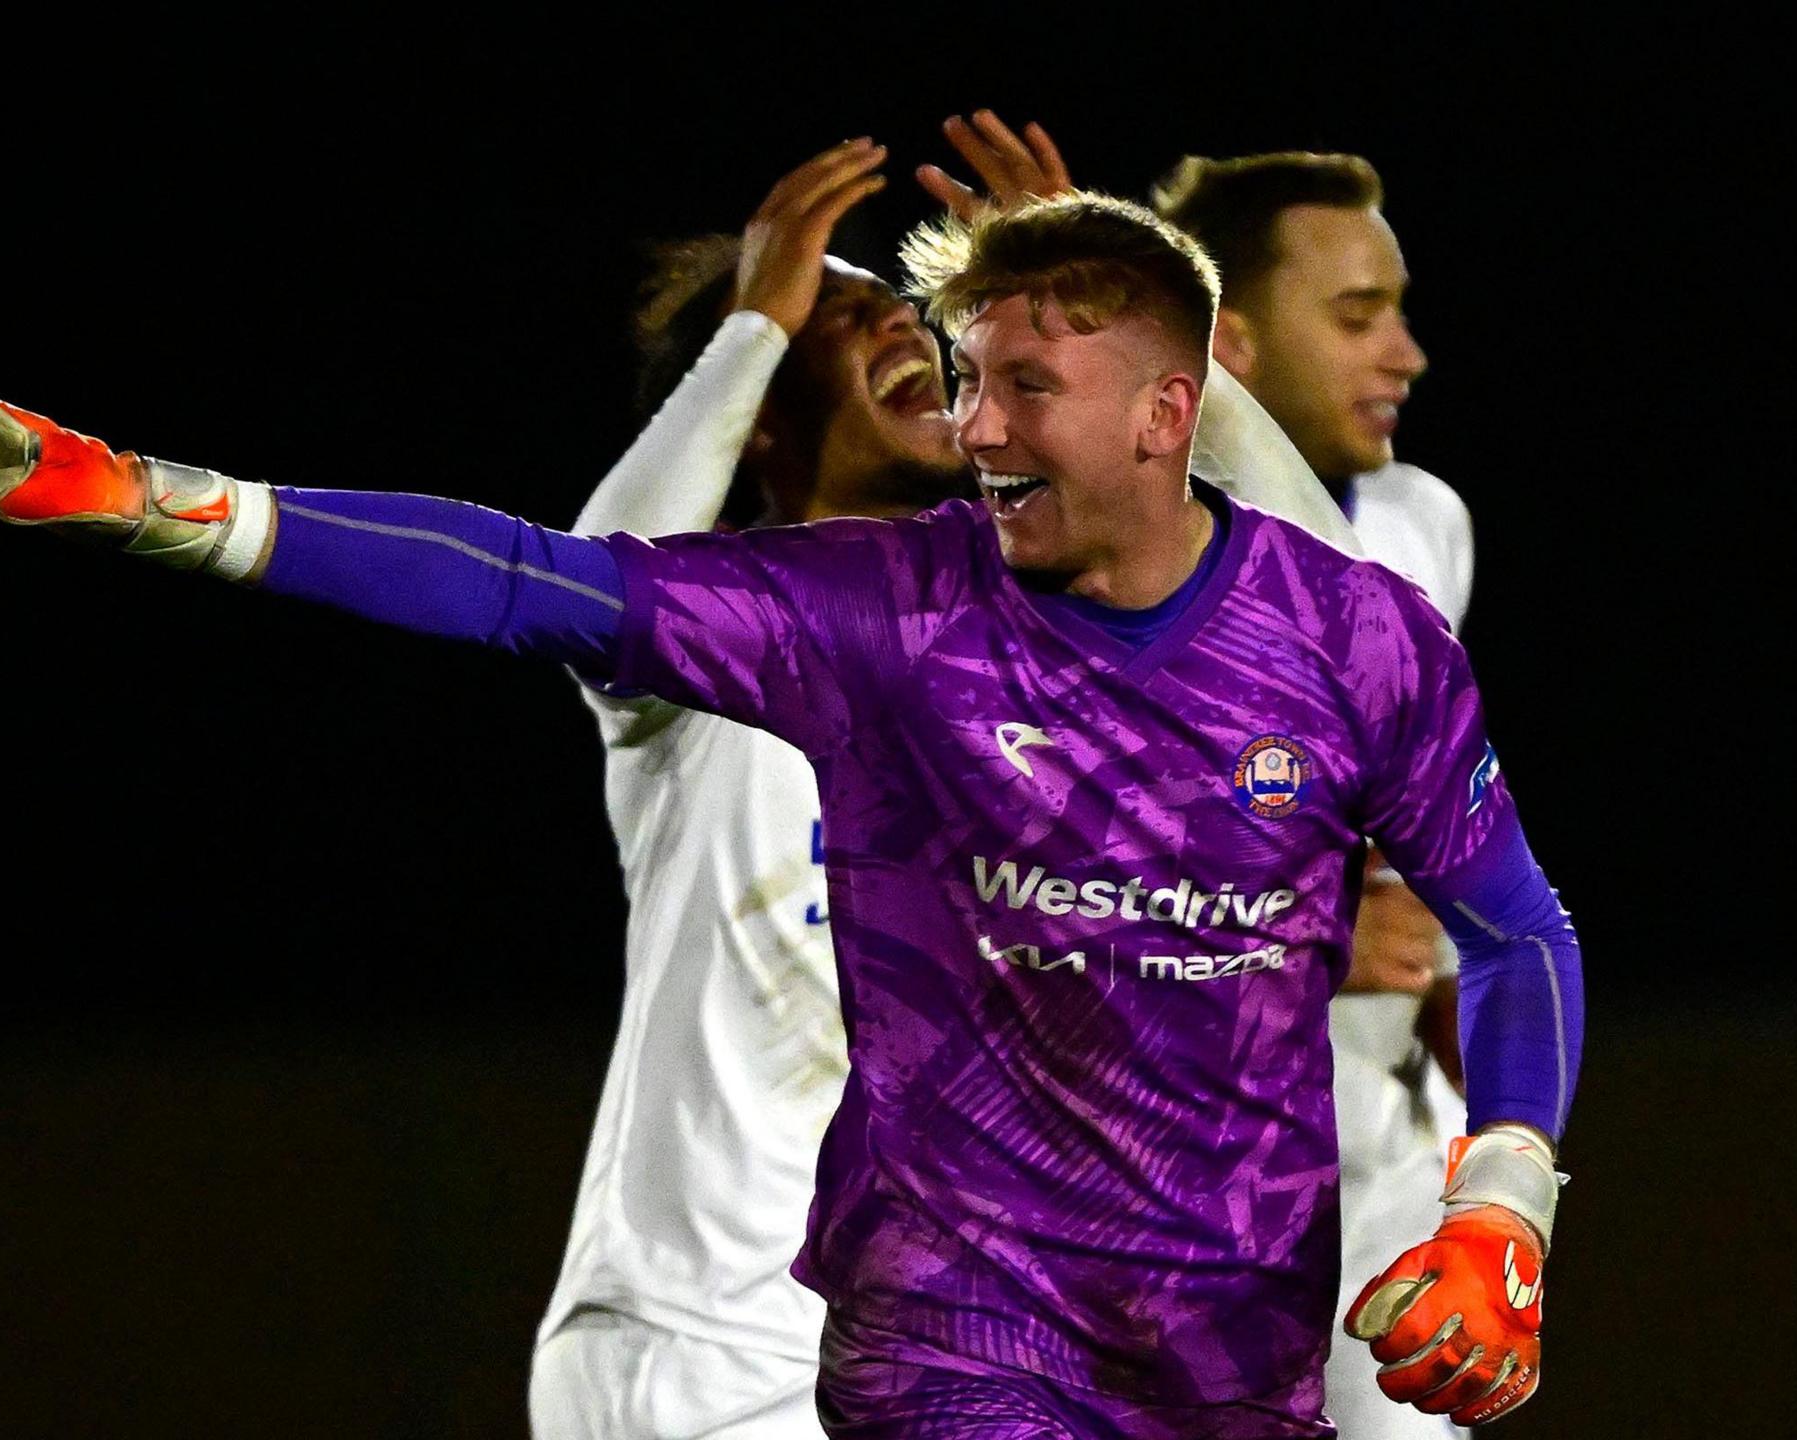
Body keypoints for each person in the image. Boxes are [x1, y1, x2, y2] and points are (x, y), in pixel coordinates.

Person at [0, 184, 1580, 1438]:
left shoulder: (1351, 636)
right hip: (946, 1329)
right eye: (960, 377)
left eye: (1022, 387)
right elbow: (527, 580)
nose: (977, 425)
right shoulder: (872, 614)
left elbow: (1519, 929)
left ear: (1163, 413)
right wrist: (154, 499)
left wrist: (1501, 1206)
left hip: (1227, 1344)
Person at [538, 128, 1356, 1439]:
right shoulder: (718, 651)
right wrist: (752, 322)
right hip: (704, 1354)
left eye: (930, 323)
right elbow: (583, 596)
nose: (915, 337)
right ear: (759, 416)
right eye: (847, 318)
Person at [1153, 151, 1479, 1440]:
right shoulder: (1104, 552)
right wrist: (1297, 927)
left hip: (1377, 1152)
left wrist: (1467, 1011)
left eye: (1397, 308)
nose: (1403, 353)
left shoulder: (1422, 521)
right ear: (1226, 340)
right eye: (1356, 316)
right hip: (1170, 1173)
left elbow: (1420, 817)